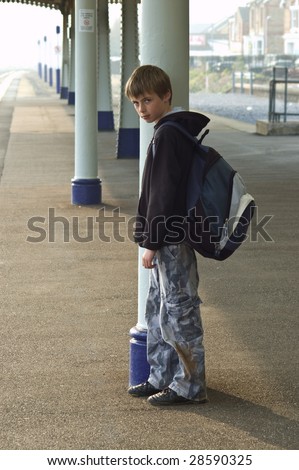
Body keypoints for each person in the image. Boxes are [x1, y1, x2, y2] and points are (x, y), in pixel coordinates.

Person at [125, 65, 208, 406]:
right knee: (159, 309)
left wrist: (151, 243)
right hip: (169, 238)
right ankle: (161, 376)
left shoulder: (169, 135)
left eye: (147, 100)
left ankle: (190, 385)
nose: (142, 108)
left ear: (166, 96)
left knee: (179, 312)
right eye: (135, 103)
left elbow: (163, 195)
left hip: (171, 240)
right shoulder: (168, 131)